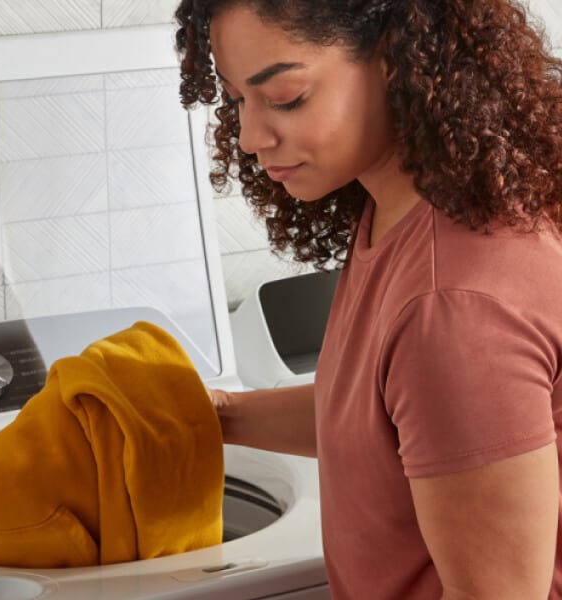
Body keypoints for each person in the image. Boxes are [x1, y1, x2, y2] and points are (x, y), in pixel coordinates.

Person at [174, 0, 562, 598]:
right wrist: (211, 414)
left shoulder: (450, 307)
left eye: (284, 97)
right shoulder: (403, 208)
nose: (250, 136)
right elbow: (383, 422)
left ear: (394, 60)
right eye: (235, 99)